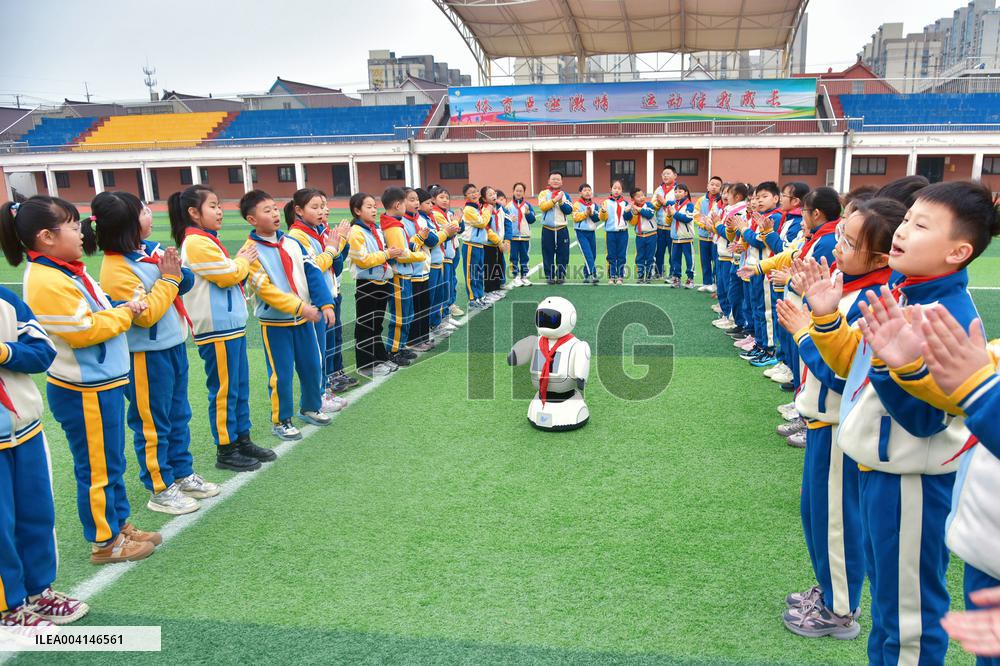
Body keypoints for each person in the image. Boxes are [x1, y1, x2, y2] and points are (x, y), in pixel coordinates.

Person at [800, 181, 998, 665]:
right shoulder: (902, 289)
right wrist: (826, 321)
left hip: (911, 480)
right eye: (908, 220)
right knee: (891, 614)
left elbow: (926, 419)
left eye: (921, 225)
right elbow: (856, 370)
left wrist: (900, 368)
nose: (904, 232)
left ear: (959, 251)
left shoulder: (946, 316)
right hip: (881, 472)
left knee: (909, 620)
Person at [5, 196, 160, 564]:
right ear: (45, 236)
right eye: (73, 226)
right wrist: (124, 314)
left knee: (110, 462)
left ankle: (119, 524)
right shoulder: (45, 278)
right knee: (96, 468)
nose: (81, 232)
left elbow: (98, 309)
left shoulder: (68, 269)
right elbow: (83, 330)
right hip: (83, 388)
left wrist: (118, 308)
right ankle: (105, 541)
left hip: (100, 382)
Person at [93, 191, 217, 515]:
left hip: (171, 346)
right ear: (127, 225)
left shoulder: (147, 251)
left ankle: (182, 471)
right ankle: (160, 487)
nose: (151, 214)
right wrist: (170, 279)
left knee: (179, 415)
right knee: (152, 422)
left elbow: (183, 282)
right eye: (144, 211)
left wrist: (176, 275)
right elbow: (145, 314)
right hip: (145, 355)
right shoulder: (116, 268)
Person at [0, 282, 88, 625]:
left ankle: (39, 591)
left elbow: (42, 350)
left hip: (25, 427)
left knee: (37, 512)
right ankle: (9, 607)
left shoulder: (6, 300)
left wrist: (6, 352)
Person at [172, 185, 270, 472]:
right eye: (213, 205)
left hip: (229, 327)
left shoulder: (206, 240)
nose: (219, 211)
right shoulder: (195, 243)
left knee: (238, 387)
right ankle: (226, 448)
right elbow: (229, 275)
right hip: (216, 329)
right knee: (225, 390)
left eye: (219, 205)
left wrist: (238, 262)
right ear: (194, 212)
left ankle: (242, 438)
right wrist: (242, 260)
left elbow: (231, 271)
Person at [239, 189, 335, 440]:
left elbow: (313, 272)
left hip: (304, 320)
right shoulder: (250, 252)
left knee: (313, 365)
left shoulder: (292, 242)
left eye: (274, 208)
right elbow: (265, 290)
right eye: (266, 210)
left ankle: (311, 407)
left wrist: (325, 303)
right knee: (281, 374)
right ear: (252, 219)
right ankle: (281, 420)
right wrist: (298, 306)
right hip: (276, 323)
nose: (274, 214)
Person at [349, 193, 401, 379]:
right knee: (366, 325)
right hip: (367, 284)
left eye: (374, 206)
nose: (374, 209)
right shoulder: (356, 232)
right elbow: (362, 260)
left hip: (381, 281)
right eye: (368, 206)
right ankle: (366, 364)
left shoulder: (375, 229)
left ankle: (379, 357)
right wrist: (387, 254)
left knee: (376, 323)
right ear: (357, 210)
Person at [537, 171, 573, 284]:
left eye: (558, 179)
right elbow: (543, 207)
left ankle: (561, 275)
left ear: (562, 182)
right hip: (548, 229)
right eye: (553, 179)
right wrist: (554, 200)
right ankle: (550, 276)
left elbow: (569, 210)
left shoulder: (565, 195)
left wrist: (561, 201)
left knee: (563, 253)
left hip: (562, 229)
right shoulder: (543, 193)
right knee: (548, 253)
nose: (555, 181)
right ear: (548, 181)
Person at [624, 187, 656, 283]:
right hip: (640, 236)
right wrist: (627, 212)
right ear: (633, 199)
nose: (641, 197)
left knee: (650, 256)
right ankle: (641, 275)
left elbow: (649, 215)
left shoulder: (649, 205)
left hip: (651, 235)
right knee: (640, 257)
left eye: (642, 195)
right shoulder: (633, 207)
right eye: (638, 196)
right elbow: (631, 221)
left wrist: (638, 209)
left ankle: (649, 275)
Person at [667, 183, 696, 289]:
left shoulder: (690, 205)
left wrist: (674, 213)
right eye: (675, 191)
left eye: (680, 191)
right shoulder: (673, 205)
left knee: (689, 259)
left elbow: (687, 218)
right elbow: (669, 220)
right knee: (675, 259)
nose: (677, 193)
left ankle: (690, 278)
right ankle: (676, 278)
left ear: (686, 193)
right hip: (675, 238)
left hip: (686, 238)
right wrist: (669, 215)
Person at [601, 179, 630, 285]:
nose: (616, 190)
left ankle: (620, 276)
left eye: (619, 188)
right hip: (611, 233)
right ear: (611, 189)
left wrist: (628, 212)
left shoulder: (625, 203)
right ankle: (612, 276)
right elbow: (603, 218)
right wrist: (603, 211)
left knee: (621, 255)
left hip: (623, 233)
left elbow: (629, 218)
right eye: (614, 188)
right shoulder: (606, 202)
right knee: (611, 255)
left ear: (622, 190)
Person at [572, 183, 601, 284]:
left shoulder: (594, 205)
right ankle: (593, 274)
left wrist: (592, 213)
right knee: (587, 253)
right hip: (581, 233)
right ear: (580, 193)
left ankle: (586, 274)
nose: (588, 192)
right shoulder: (576, 204)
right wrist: (586, 213)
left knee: (593, 255)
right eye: (585, 190)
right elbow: (575, 218)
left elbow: (597, 218)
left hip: (591, 233)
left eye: (589, 190)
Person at [508, 182, 535, 286]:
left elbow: (532, 220)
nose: (518, 193)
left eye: (521, 191)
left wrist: (528, 213)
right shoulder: (509, 206)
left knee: (525, 257)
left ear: (524, 193)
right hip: (513, 237)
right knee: (513, 257)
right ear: (513, 192)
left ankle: (524, 276)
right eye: (517, 190)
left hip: (524, 236)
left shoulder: (528, 206)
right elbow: (505, 221)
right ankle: (515, 276)